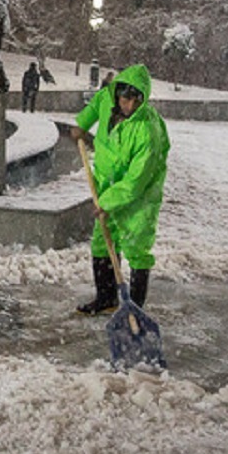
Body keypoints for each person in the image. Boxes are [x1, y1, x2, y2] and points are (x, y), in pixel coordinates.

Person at [69, 64, 170, 314]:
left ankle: (134, 308)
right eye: (126, 99)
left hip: (140, 196)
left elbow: (137, 181)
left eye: (137, 100)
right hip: (107, 184)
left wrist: (107, 202)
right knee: (103, 241)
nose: (130, 106)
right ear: (117, 94)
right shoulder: (107, 98)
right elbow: (96, 105)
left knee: (137, 246)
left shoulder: (147, 130)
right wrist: (83, 124)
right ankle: (106, 299)